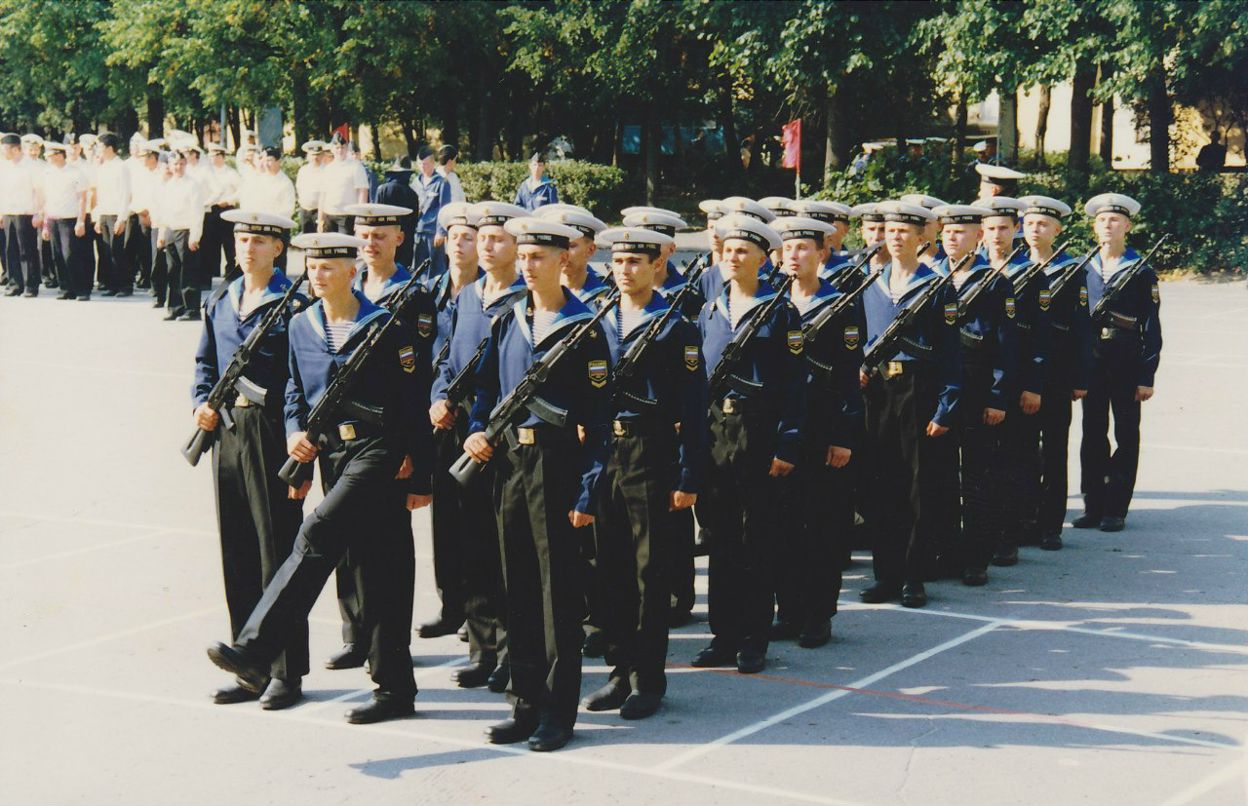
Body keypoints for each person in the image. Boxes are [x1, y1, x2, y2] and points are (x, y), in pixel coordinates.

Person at [207, 231, 434, 725]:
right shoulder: (302, 325)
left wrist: (423, 474)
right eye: (312, 266)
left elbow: (414, 400)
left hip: (380, 451)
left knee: (315, 533)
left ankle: (256, 650)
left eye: (329, 266)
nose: (317, 274)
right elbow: (293, 389)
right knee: (379, 568)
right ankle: (395, 687)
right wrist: (295, 439)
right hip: (332, 453)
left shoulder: (384, 326)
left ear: (353, 271)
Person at [461, 216, 611, 752]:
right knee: (516, 586)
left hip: (556, 464)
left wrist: (588, 490)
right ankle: (523, 703)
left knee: (557, 596)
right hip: (509, 466)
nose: (527, 266)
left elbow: (597, 422)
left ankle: (557, 710)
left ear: (562, 261)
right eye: (522, 257)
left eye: (538, 258)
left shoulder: (583, 326)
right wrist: (477, 431)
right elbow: (482, 391)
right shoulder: (508, 320)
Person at [579, 225, 706, 720]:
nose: (625, 270)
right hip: (605, 454)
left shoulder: (676, 326)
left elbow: (694, 410)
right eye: (619, 262)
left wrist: (689, 475)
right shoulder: (599, 319)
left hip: (651, 454)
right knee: (609, 570)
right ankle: (617, 671)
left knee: (649, 573)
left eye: (636, 262)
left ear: (657, 265)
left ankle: (647, 680)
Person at [192, 210, 308, 710]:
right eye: (242, 239)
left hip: (269, 434)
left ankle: (286, 672)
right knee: (237, 550)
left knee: (276, 553)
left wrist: (296, 443)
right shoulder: (222, 298)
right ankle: (247, 664)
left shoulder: (293, 304)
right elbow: (205, 362)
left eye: (260, 240)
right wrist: (201, 400)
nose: (248, 248)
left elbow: (302, 378)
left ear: (278, 248)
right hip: (227, 434)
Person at [691, 214, 804, 675]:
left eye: (743, 251)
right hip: (717, 429)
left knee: (756, 535)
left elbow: (797, 385)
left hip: (760, 430)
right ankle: (724, 633)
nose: (732, 258)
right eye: (727, 250)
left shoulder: (781, 311)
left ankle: (755, 637)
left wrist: (789, 443)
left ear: (763, 258)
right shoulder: (709, 309)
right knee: (720, 534)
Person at [427, 201, 528, 693]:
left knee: (505, 548)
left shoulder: (526, 301)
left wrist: (488, 426)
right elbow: (446, 359)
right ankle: (482, 648)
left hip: (501, 440)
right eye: (482, 238)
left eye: (497, 239)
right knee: (470, 545)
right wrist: (439, 397)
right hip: (460, 433)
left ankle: (511, 652)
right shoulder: (467, 296)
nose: (486, 247)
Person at [858, 201, 960, 608]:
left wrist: (946, 406)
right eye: (890, 230)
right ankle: (886, 573)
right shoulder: (871, 283)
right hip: (879, 392)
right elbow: (861, 339)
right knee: (881, 482)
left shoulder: (936, 286)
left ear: (923, 238)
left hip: (918, 390)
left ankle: (914, 576)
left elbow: (951, 353)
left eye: (905, 231)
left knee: (918, 486)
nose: (896, 237)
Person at [769, 216, 864, 648]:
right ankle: (788, 609)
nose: (794, 256)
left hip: (823, 426)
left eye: (804, 248)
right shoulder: (771, 302)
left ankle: (818, 613)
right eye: (787, 249)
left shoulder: (841, 305)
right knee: (783, 523)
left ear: (822, 254)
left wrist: (844, 435)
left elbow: (849, 377)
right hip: (780, 428)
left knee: (821, 524)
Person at [936, 202, 1018, 587]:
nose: (954, 238)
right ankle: (946, 550)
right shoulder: (932, 277)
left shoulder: (995, 282)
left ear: (978, 236)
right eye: (948, 232)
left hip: (977, 388)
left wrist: (998, 397)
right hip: (938, 393)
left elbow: (1006, 344)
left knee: (978, 477)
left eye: (963, 232)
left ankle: (976, 557)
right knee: (940, 478)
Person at [1075, 193, 1161, 532]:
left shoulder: (1141, 270)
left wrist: (1147, 375)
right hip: (1092, 360)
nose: (1107, 225)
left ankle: (1116, 507)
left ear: (1127, 225)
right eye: (1101, 220)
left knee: (1126, 433)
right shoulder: (1084, 267)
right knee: (1092, 432)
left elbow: (1151, 326)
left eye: (1114, 220)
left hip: (1125, 360)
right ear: (1094, 226)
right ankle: (1093, 504)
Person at [1019, 195, 1090, 551]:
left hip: (1058, 372)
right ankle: (1025, 517)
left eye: (1043, 224)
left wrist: (1080, 377)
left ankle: (1050, 525)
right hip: (1022, 371)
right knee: (1024, 449)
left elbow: (1081, 326)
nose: (1035, 230)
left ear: (1057, 230)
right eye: (1030, 223)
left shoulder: (1072, 269)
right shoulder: (1013, 266)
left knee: (1054, 449)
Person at [981, 196, 1049, 566]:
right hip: (979, 381)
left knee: (1013, 459)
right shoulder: (968, 269)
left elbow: (1040, 335)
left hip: (1017, 378)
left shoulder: (1030, 274)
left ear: (1015, 230)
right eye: (990, 228)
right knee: (981, 463)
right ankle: (981, 533)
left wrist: (1034, 384)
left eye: (1003, 228)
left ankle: (1010, 533)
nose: (996, 235)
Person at [157, 151, 206, 321]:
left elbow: (197, 213)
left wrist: (195, 236)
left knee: (188, 271)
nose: (177, 167)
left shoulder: (192, 185)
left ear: (185, 164)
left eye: (181, 164)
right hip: (171, 230)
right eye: (174, 164)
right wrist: (162, 234)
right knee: (172, 271)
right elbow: (164, 212)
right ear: (169, 165)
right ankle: (175, 307)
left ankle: (192, 309)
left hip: (186, 231)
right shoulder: (168, 185)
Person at [40, 142, 90, 301]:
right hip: (53, 218)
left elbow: (82, 199)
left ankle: (81, 289)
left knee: (71, 255)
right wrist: (46, 225)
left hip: (70, 219)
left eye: (51, 156)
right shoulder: (47, 173)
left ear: (59, 155)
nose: (48, 159)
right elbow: (46, 200)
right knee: (58, 256)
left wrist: (81, 221)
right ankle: (65, 289)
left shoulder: (75, 172)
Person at [534, 207, 611, 305]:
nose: (562, 254)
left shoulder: (607, 295)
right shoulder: (537, 292)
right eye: (556, 246)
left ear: (590, 250)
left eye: (571, 246)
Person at [0, 132, 45, 297]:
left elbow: (39, 192)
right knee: (10, 249)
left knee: (27, 250)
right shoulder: (4, 166)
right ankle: (15, 284)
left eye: (4, 149)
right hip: (8, 213)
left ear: (15, 149)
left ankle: (31, 285)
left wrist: (38, 213)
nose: (2, 152)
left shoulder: (30, 167)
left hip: (26, 213)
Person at [90, 133, 131, 302]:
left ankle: (125, 285)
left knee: (118, 251)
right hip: (105, 213)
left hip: (116, 214)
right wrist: (98, 217)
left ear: (109, 148)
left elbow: (125, 194)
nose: (97, 150)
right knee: (108, 251)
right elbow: (100, 195)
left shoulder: (121, 167)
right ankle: (113, 285)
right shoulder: (103, 167)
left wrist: (122, 218)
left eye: (100, 147)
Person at [201, 144, 242, 281]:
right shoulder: (206, 173)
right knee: (211, 242)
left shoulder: (231, 173)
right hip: (211, 210)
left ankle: (230, 271)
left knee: (229, 242)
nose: (213, 159)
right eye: (211, 156)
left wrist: (228, 200)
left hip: (227, 209)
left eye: (216, 156)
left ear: (222, 157)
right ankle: (212, 271)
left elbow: (240, 191)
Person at [317, 133, 369, 234]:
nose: (340, 150)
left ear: (347, 149)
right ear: (332, 149)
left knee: (346, 249)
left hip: (347, 216)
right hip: (329, 215)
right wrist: (320, 220)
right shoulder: (328, 169)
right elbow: (322, 195)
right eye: (337, 147)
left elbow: (362, 192)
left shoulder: (355, 167)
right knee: (329, 248)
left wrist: (360, 217)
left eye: (343, 147)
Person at [412, 145, 451, 275]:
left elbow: (444, 208)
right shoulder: (415, 183)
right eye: (420, 164)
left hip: (432, 232)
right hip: (417, 231)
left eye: (427, 164)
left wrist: (441, 232)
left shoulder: (441, 183)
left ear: (433, 163)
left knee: (435, 268)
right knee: (417, 267)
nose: (423, 167)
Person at [374, 158, 420, 262]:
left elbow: (376, 217)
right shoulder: (412, 194)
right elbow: (414, 221)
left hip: (385, 236)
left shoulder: (382, 190)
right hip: (405, 239)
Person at [295, 141, 326, 234]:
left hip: (320, 211)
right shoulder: (303, 170)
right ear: (308, 155)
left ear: (322, 155)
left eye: (318, 155)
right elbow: (299, 188)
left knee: (320, 239)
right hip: (305, 210)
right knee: (307, 239)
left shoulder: (327, 170)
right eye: (313, 155)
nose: (315, 157)